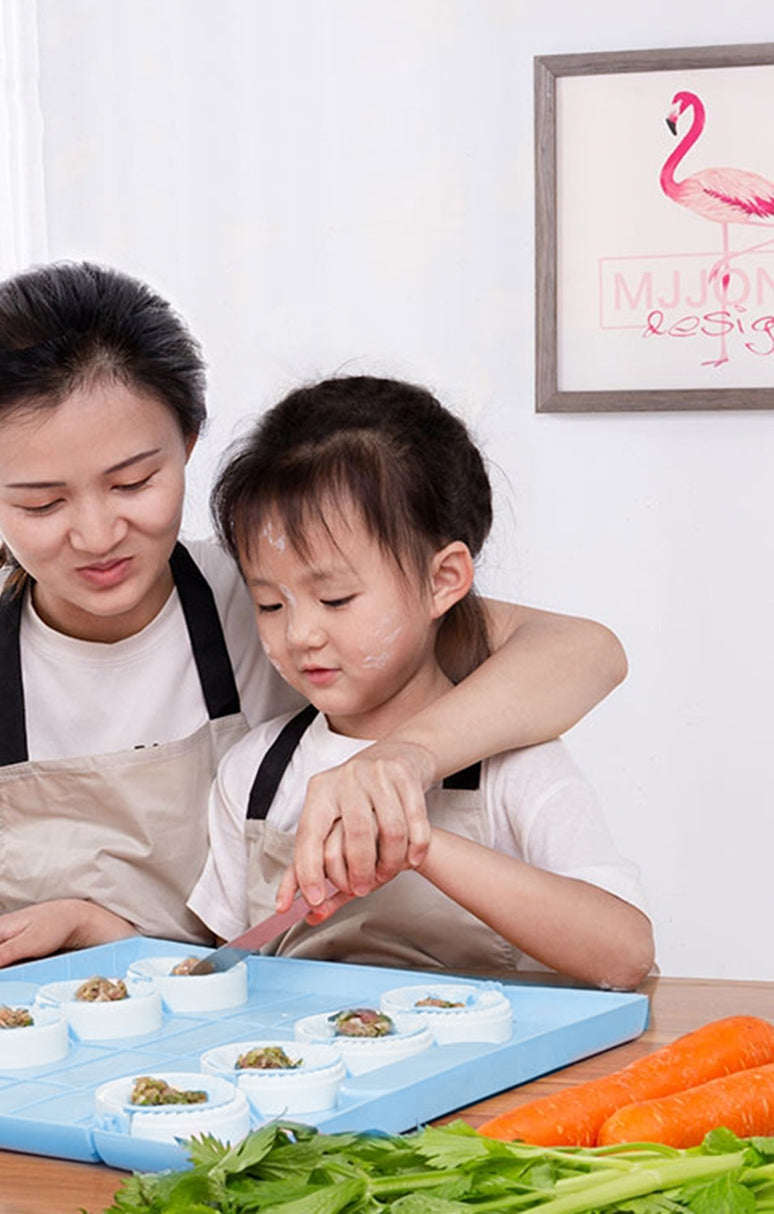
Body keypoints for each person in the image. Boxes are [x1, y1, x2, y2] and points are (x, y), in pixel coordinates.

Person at [0, 262, 628, 996]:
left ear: (188, 440)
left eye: (135, 482)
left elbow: (584, 652)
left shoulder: (271, 591)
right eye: (41, 500)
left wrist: (404, 761)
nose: (97, 533)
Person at [188, 374, 654, 989]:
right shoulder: (254, 771)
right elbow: (231, 967)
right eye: (270, 605)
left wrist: (421, 843)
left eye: (336, 597)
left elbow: (624, 955)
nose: (300, 634)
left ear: (443, 580)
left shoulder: (513, 763)